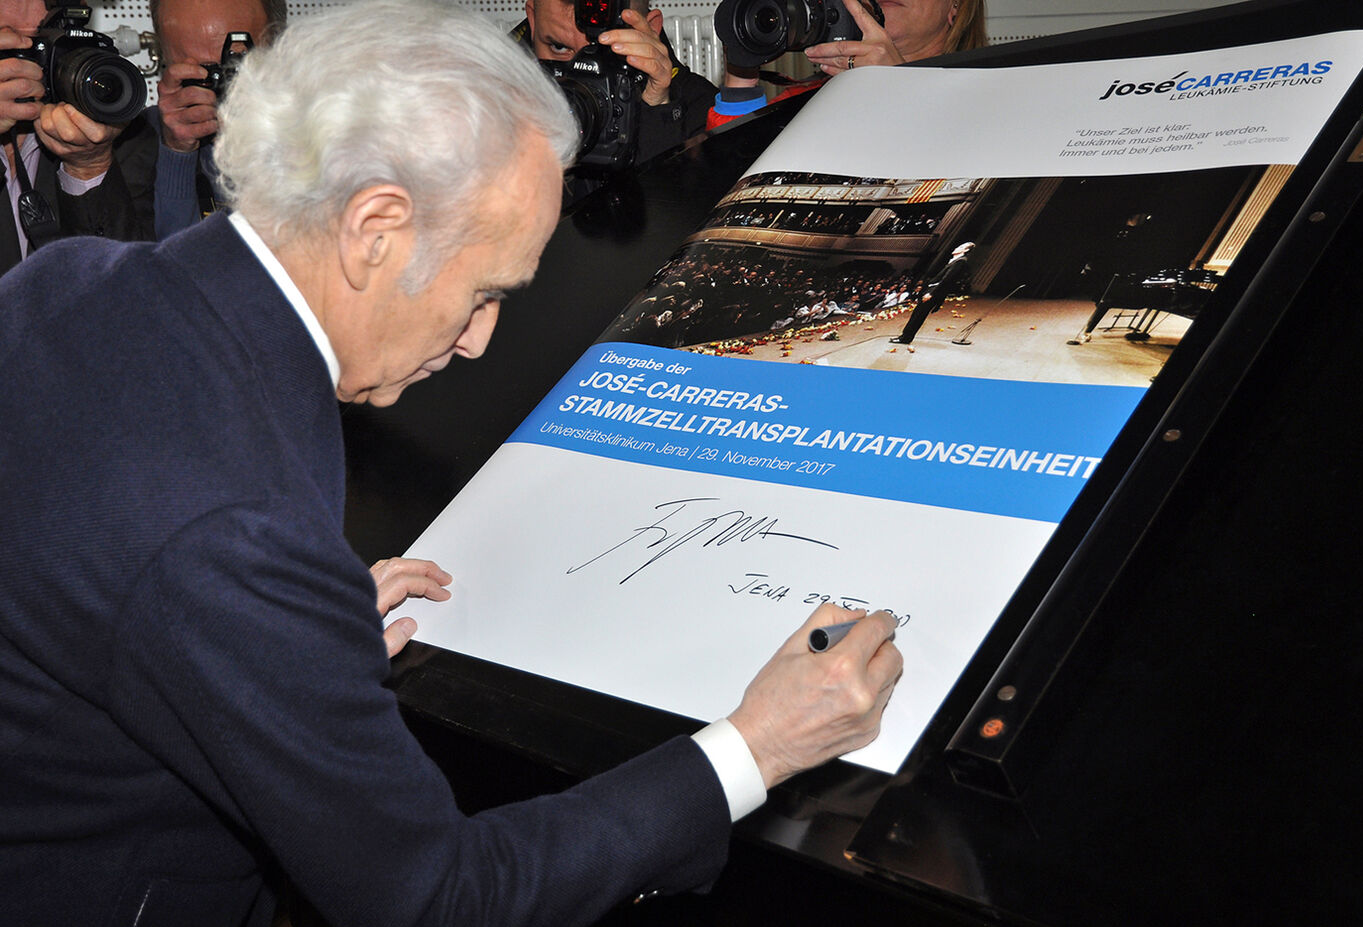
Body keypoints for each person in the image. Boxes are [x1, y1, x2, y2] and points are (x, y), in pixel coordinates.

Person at [0, 3, 902, 926]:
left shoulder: (71, 279)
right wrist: (758, 747)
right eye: (485, 290)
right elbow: (435, 896)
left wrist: (289, 635)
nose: (479, 341)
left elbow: (97, 568)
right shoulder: (229, 531)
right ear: (375, 227)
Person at [0, 0, 154, 273]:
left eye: (46, 46)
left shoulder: (124, 136)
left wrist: (89, 166)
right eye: (13, 49)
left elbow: (127, 291)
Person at [515, 0, 715, 198]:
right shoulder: (500, 103)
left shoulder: (701, 111)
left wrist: (657, 112)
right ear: (532, 20)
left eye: (609, 51)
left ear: (650, 29)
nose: (583, 76)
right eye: (558, 47)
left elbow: (673, 220)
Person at [708, 0, 988, 128]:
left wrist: (899, 88)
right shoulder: (808, 99)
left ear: (957, 6)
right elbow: (737, 182)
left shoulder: (988, 95)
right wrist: (742, 72)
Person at [146, 0, 285, 237]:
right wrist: (178, 153)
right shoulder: (129, 149)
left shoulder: (328, 132)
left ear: (277, 47)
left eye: (235, 63)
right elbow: (175, 267)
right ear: (165, 58)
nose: (221, 83)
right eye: (202, 71)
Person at [890, 239, 974, 344]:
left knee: (918, 316)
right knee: (917, 314)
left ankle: (905, 338)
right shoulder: (955, 260)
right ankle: (905, 336)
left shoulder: (960, 261)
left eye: (961, 247)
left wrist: (931, 293)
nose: (957, 248)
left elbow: (946, 280)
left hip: (934, 292)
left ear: (965, 250)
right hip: (932, 290)